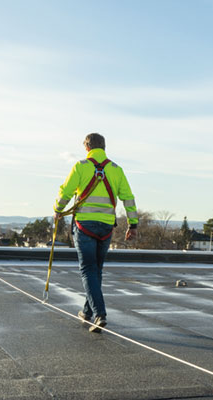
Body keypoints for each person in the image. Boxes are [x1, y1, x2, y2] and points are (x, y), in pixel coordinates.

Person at [54, 133, 138, 333]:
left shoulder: (80, 167)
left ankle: (99, 314)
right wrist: (133, 225)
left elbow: (65, 191)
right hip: (106, 228)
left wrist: (58, 210)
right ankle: (87, 312)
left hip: (84, 227)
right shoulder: (116, 170)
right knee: (96, 270)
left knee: (88, 270)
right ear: (104, 147)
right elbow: (128, 198)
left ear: (86, 147)